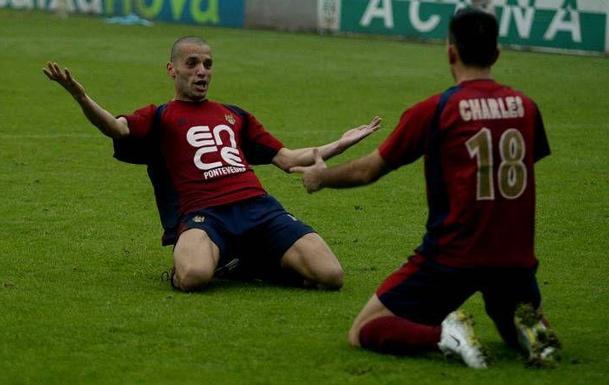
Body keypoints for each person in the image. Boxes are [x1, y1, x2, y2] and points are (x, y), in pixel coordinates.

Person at [292, 9, 560, 368]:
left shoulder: (437, 110)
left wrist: (320, 177)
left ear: (450, 51)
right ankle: (534, 333)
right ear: (497, 53)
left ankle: (446, 334)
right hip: (514, 260)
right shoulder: (525, 108)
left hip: (452, 256)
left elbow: (368, 170)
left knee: (365, 330)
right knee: (512, 323)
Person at [43, 36, 381, 292]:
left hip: (259, 208)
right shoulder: (159, 116)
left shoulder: (234, 114)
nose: (202, 71)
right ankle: (223, 259)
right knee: (193, 277)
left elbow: (288, 159)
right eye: (192, 63)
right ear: (172, 69)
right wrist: (81, 97)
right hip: (204, 214)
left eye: (207, 64)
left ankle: (248, 261)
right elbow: (115, 128)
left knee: (331, 275)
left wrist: (340, 143)